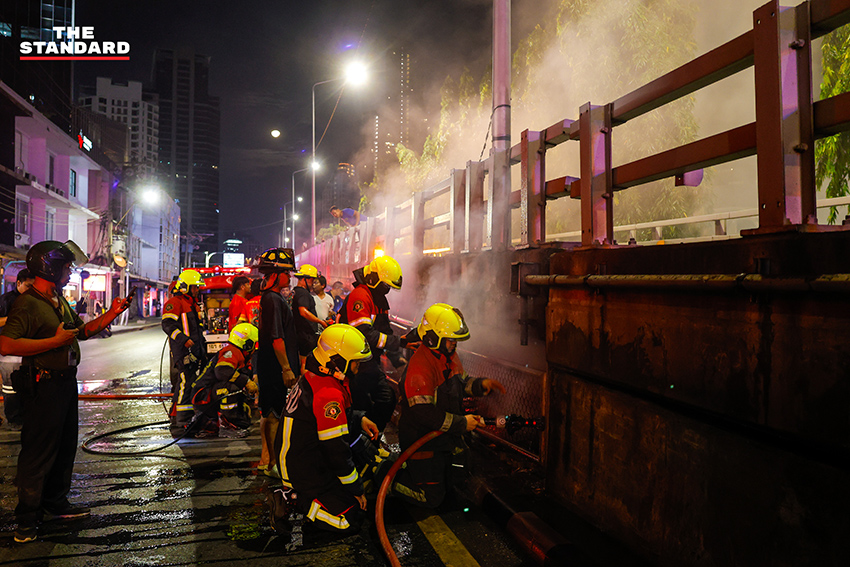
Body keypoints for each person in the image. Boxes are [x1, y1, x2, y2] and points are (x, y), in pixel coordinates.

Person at [0, 240, 132, 543]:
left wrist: (112, 313)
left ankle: (56, 504)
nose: (70, 271)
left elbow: (79, 332)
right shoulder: (28, 303)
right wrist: (55, 342)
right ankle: (27, 520)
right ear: (50, 267)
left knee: (64, 447)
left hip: (63, 383)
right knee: (38, 453)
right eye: (67, 266)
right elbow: (7, 344)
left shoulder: (58, 300)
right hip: (42, 386)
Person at [392, 303, 505, 508]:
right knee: (431, 498)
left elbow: (460, 384)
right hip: (422, 440)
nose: (454, 343)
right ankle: (388, 476)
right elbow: (424, 414)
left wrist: (481, 385)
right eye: (451, 339)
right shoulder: (420, 368)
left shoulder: (448, 357)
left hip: (443, 435)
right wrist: (462, 423)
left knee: (459, 474)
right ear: (433, 338)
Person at [270, 324, 377, 535]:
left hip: (305, 456)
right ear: (338, 361)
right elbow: (336, 450)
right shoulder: (327, 393)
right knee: (349, 519)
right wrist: (355, 489)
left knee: (362, 479)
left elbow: (326, 422)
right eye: (355, 362)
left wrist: (359, 418)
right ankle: (293, 500)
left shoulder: (319, 377)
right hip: (304, 468)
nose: (358, 367)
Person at [339, 255, 404, 433]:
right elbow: (365, 335)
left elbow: (385, 331)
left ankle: (370, 442)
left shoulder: (378, 298)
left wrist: (397, 359)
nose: (387, 290)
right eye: (385, 285)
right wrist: (401, 342)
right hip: (354, 363)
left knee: (387, 399)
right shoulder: (360, 295)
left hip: (369, 362)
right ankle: (360, 446)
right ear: (372, 279)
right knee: (362, 405)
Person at [256, 248, 300, 477]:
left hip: (268, 366)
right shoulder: (273, 299)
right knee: (274, 415)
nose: (289, 276)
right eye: (286, 272)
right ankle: (274, 464)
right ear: (275, 274)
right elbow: (277, 338)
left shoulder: (269, 298)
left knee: (268, 413)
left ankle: (267, 459)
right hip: (275, 368)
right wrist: (286, 368)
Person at [191, 322, 259, 438]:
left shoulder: (237, 353)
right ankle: (226, 427)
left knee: (244, 422)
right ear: (247, 344)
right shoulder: (232, 352)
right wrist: (246, 382)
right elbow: (222, 372)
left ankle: (221, 423)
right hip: (203, 396)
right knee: (229, 388)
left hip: (208, 395)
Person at [162, 269, 207, 436]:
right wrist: (183, 340)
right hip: (183, 350)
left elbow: (198, 329)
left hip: (194, 349)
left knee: (190, 382)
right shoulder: (175, 303)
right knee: (185, 381)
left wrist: (201, 348)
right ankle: (182, 419)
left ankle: (180, 416)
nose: (197, 290)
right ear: (186, 287)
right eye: (195, 287)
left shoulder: (192, 304)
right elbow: (167, 325)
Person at [0, 268, 35, 429]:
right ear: (19, 283)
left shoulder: (34, 301)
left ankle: (25, 417)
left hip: (28, 350)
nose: (30, 290)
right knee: (10, 387)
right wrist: (12, 319)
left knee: (26, 386)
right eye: (28, 286)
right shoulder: (7, 300)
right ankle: (13, 419)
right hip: (10, 353)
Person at [291, 264, 329, 372]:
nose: (313, 284)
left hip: (298, 333)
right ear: (305, 279)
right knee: (305, 363)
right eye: (312, 280)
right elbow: (303, 311)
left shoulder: (295, 291)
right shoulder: (303, 293)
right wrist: (320, 321)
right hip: (306, 335)